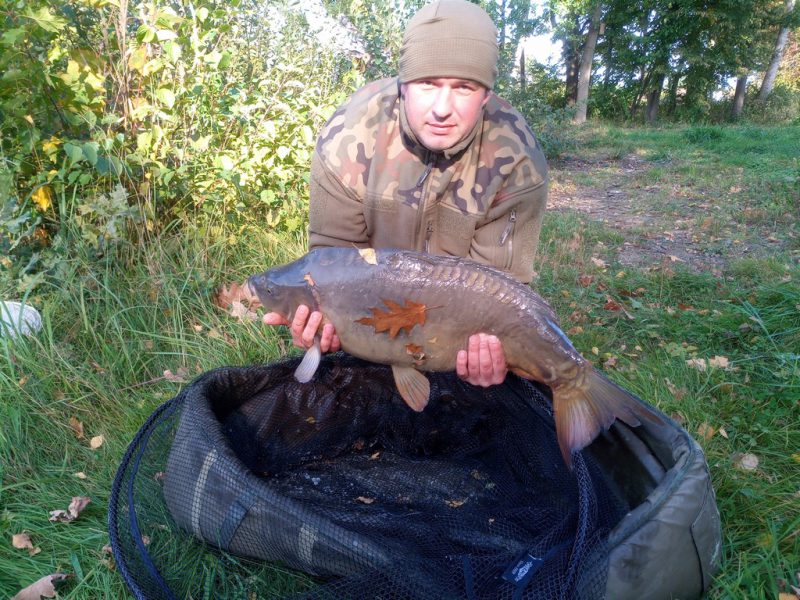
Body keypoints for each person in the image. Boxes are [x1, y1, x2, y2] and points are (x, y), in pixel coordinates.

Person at [264, 0, 548, 388]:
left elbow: (501, 290)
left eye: (463, 87)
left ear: (485, 95)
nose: (442, 108)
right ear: (403, 84)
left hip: (456, 327)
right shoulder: (348, 138)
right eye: (428, 83)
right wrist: (321, 322)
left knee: (501, 368)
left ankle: (571, 383)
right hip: (372, 319)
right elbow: (330, 261)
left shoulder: (516, 159)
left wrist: (493, 352)